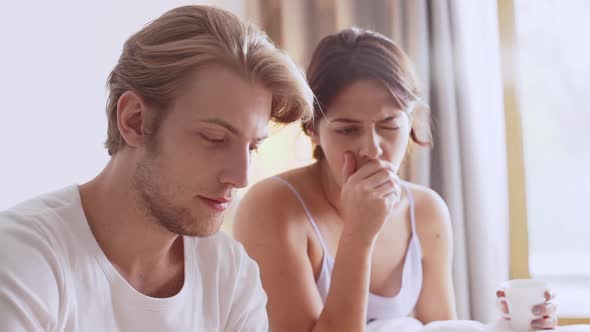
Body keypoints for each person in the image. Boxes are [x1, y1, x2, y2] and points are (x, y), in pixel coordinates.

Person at [0, 5, 312, 331]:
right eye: (214, 138)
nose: (242, 177)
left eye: (252, 146)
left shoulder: (230, 275)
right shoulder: (24, 259)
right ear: (134, 120)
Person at [234, 27, 557, 331]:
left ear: (411, 121)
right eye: (348, 129)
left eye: (388, 124)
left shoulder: (426, 209)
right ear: (312, 130)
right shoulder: (273, 207)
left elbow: (441, 328)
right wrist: (359, 236)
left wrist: (511, 325)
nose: (372, 148)